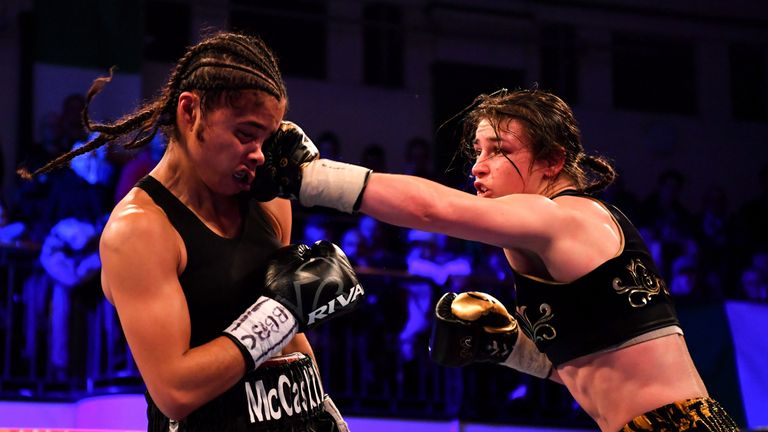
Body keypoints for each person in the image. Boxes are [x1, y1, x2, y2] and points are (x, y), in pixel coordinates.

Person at [252, 88, 740, 431]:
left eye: (498, 150)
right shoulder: (545, 239)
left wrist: (309, 179)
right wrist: (510, 347)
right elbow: (592, 369)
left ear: (553, 161)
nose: (477, 164)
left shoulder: (561, 220)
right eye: (477, 150)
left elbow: (432, 207)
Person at [18, 31, 363, 432]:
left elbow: (288, 337)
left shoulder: (268, 201)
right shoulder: (139, 230)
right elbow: (175, 392)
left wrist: (322, 405)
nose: (259, 154)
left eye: (267, 139)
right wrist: (283, 313)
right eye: (246, 134)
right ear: (190, 111)